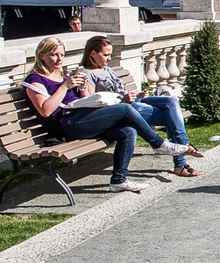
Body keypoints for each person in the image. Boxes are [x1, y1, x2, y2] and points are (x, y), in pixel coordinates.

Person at [22, 37, 193, 193]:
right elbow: (45, 110)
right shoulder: (35, 80)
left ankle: (118, 180)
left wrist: (80, 88)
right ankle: (159, 144)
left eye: (61, 55)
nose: (59, 59)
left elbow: (81, 99)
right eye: (54, 55)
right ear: (42, 56)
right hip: (65, 125)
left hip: (81, 118)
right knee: (125, 109)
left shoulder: (61, 75)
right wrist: (65, 86)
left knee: (128, 131)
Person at [79, 35, 205, 177]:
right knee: (170, 116)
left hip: (133, 103)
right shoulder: (87, 74)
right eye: (105, 55)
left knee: (171, 101)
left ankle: (182, 146)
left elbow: (121, 91)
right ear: (92, 53)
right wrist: (123, 101)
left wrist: (136, 95)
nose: (109, 58)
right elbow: (92, 103)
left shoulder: (107, 69)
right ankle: (181, 159)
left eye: (110, 55)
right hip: (122, 110)